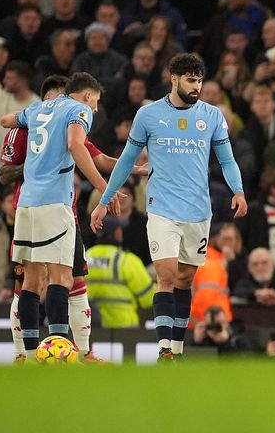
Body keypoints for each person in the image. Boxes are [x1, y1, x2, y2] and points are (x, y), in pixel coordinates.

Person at [91, 53, 248, 362]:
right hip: (161, 208)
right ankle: (164, 348)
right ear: (173, 79)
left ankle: (176, 349)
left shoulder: (212, 116)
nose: (197, 86)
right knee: (165, 275)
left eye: (200, 80)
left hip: (198, 212)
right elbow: (126, 160)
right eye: (191, 80)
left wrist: (239, 191)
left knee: (184, 280)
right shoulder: (148, 115)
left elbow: (227, 159)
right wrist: (104, 199)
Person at [0, 74, 138, 363]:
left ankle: (27, 354)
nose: (96, 110)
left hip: (25, 204)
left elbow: (5, 120)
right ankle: (59, 351)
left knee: (31, 281)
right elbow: (76, 146)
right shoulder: (78, 111)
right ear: (87, 96)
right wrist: (105, 189)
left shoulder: (39, 110)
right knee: (62, 278)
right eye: (96, 102)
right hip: (54, 203)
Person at [85, 215, 155, 328]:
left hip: (92, 329)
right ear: (116, 233)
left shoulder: (86, 257)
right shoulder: (126, 260)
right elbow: (149, 299)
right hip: (124, 328)